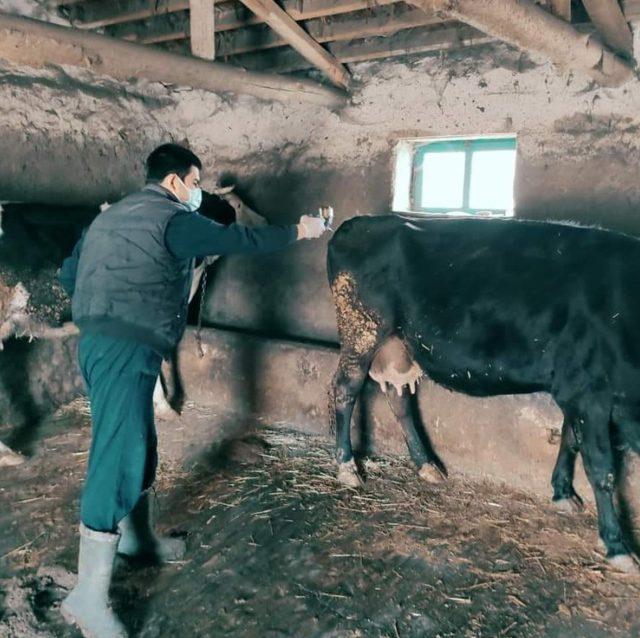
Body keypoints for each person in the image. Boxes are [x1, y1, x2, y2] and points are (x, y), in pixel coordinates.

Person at [58, 143, 327, 638]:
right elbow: (240, 239)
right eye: (196, 181)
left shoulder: (109, 217)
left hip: (102, 341)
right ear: (176, 181)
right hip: (125, 343)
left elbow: (69, 274)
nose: (198, 191)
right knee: (116, 452)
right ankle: (88, 598)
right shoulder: (169, 218)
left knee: (139, 441)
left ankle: (137, 539)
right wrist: (299, 231)